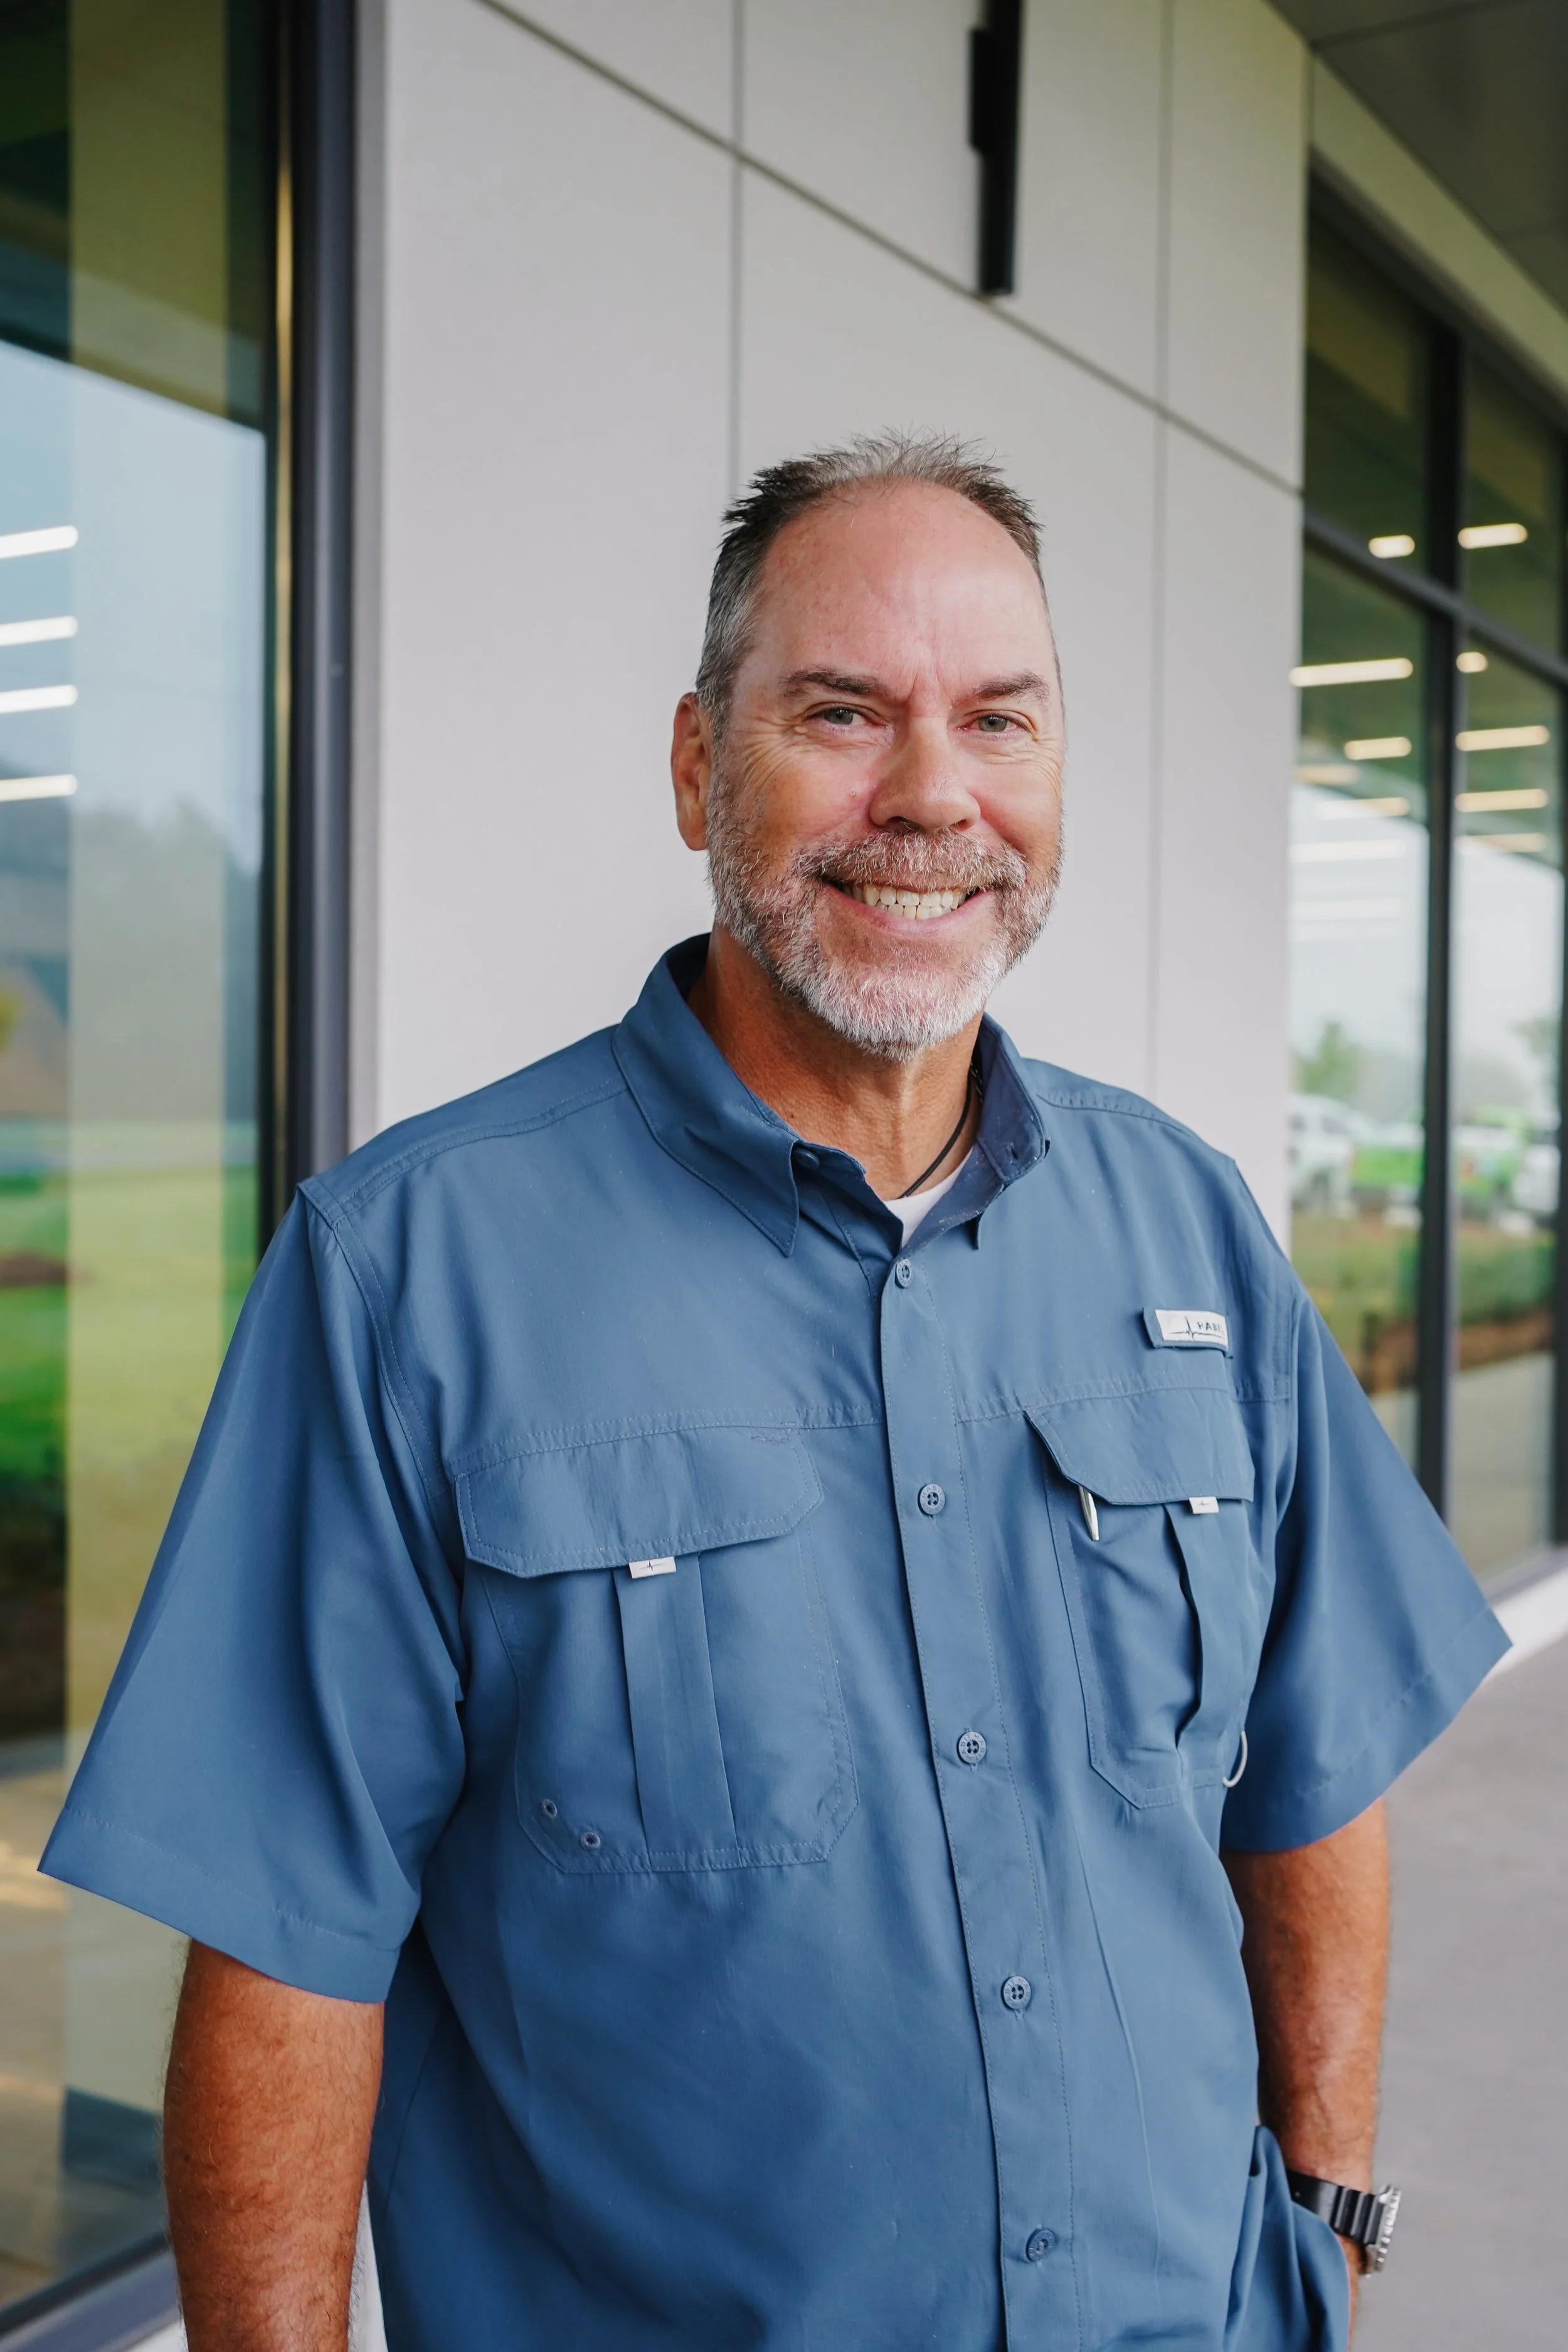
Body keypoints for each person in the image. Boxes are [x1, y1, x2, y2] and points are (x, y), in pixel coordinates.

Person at [44, 433, 1505, 2352]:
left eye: (998, 718)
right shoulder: (411, 1270)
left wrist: (1323, 2222)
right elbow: (281, 1960)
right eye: (842, 711)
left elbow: (1307, 1779)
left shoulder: (1190, 1232)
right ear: (692, 765)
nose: (930, 796)